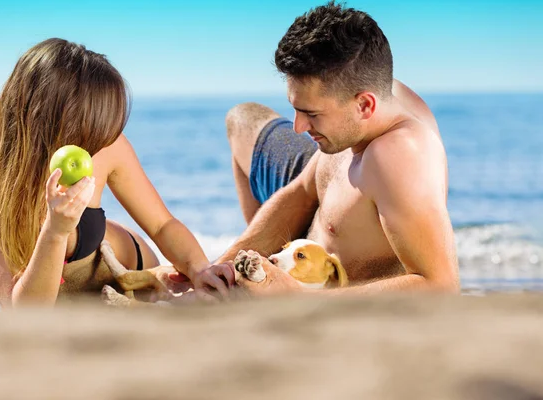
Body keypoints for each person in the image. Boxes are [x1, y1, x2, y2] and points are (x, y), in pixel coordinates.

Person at [194, 2, 460, 297]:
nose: (298, 126)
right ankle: (258, 275)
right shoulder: (365, 91)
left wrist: (297, 297)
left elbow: (442, 287)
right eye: (296, 109)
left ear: (365, 105)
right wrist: (225, 266)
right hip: (319, 199)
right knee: (242, 119)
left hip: (330, 291)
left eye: (311, 114)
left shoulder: (400, 158)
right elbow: (301, 193)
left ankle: (270, 288)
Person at [0, 38, 214, 307]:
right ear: (43, 117)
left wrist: (199, 267)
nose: (96, 144)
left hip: (131, 269)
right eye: (88, 126)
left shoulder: (103, 144)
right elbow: (22, 312)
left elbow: (162, 225)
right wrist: (55, 232)